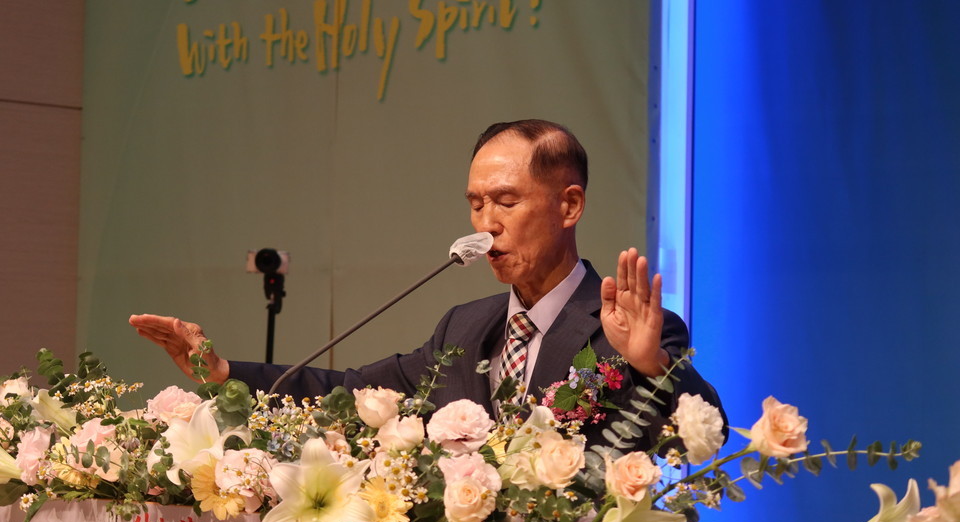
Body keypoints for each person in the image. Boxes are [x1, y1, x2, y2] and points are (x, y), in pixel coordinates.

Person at [130, 119, 724, 452]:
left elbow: (704, 435)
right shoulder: (464, 327)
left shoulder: (631, 327)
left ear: (569, 205)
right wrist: (224, 372)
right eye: (475, 204)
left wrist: (651, 368)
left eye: (507, 202)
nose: (486, 225)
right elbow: (353, 391)